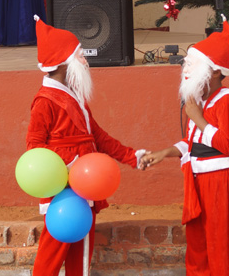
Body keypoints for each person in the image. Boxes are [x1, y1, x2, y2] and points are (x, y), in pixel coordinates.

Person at [28, 17, 146, 276]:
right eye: (80, 55)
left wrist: (132, 157)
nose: (85, 61)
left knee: (82, 250)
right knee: (53, 248)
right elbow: (34, 148)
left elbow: (98, 136)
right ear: (63, 62)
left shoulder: (75, 95)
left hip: (86, 183)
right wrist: (67, 167)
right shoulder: (44, 101)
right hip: (62, 188)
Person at [141, 21, 229, 276]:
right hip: (196, 178)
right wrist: (164, 153)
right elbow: (192, 141)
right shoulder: (200, 101)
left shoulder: (225, 101)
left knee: (218, 240)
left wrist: (197, 117)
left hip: (217, 180)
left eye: (193, 65)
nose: (186, 69)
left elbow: (225, 144)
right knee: (197, 241)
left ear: (215, 72)